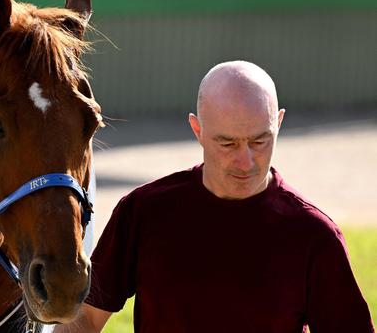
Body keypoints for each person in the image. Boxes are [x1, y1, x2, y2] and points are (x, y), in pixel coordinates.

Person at [55, 61, 374, 332]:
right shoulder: (143, 213)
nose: (246, 161)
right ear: (198, 130)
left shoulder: (314, 235)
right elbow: (85, 317)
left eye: (260, 141)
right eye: (228, 144)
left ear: (278, 123)